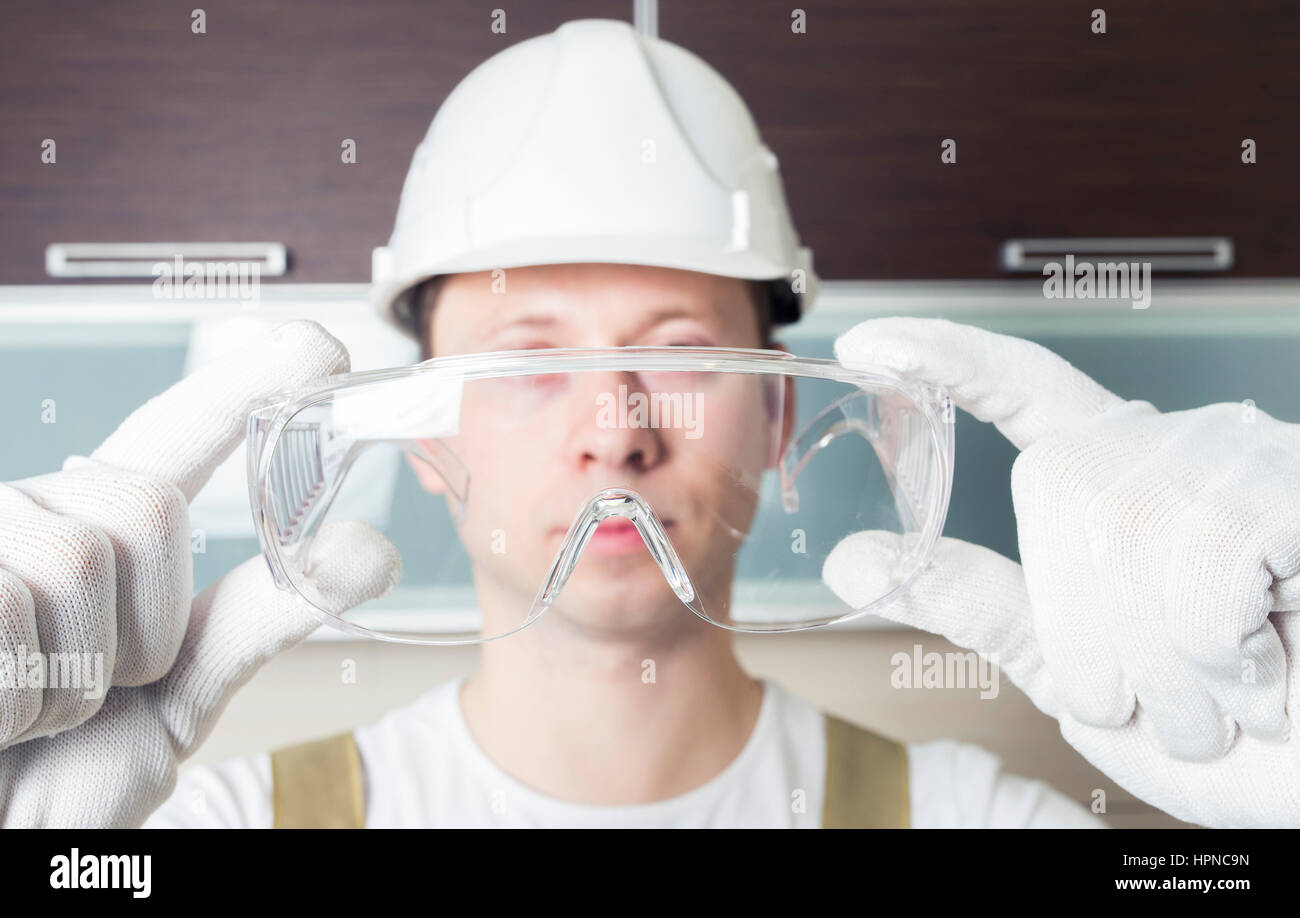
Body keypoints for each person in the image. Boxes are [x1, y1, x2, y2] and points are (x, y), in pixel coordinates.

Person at [2, 19, 1296, 829]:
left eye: (683, 358)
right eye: (529, 360)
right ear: (429, 439)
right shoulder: (207, 827)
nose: (617, 432)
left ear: (782, 413)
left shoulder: (989, 821)